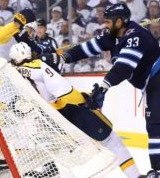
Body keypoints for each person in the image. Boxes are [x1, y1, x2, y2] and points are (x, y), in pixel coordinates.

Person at [64, 3, 160, 178]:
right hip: (158, 77)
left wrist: (103, 87)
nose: (106, 25)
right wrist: (63, 57)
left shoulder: (136, 36)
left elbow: (124, 68)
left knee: (156, 124)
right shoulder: (111, 36)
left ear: (119, 22)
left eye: (109, 21)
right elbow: (87, 48)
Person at [9, 42, 140, 178]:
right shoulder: (35, 65)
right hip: (71, 106)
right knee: (111, 140)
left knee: (59, 153)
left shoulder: (15, 74)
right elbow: (54, 79)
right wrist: (49, 58)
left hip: (51, 115)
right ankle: (135, 176)